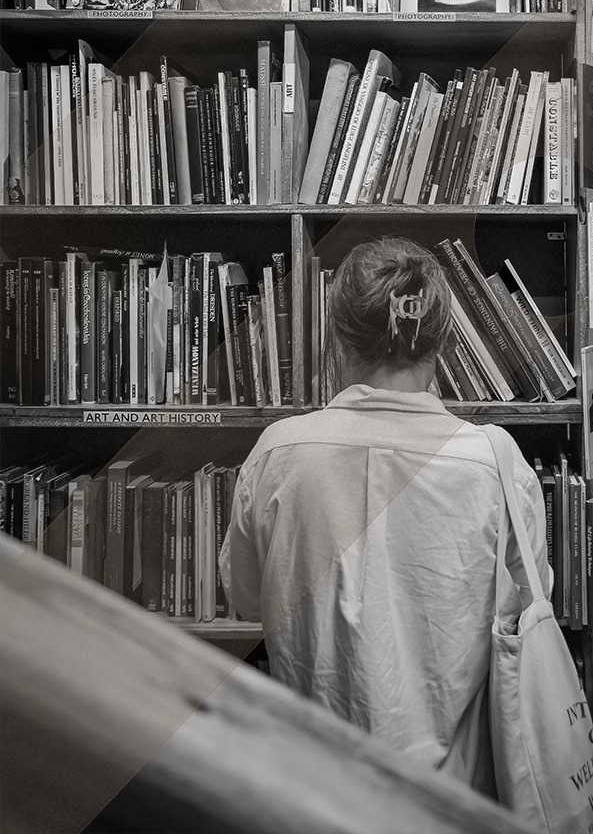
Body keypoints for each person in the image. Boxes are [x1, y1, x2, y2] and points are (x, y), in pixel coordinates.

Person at [220, 236, 552, 796]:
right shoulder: (496, 464)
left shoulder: (277, 454)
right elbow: (532, 609)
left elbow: (246, 599)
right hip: (456, 801)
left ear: (336, 337)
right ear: (444, 340)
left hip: (313, 795)